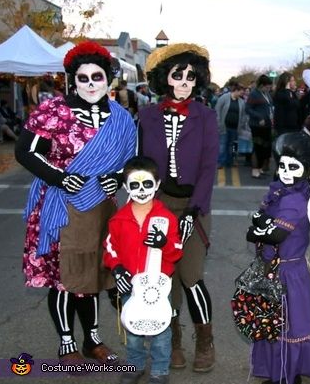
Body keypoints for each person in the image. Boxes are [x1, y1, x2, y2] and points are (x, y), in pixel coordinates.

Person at [14, 41, 136, 365]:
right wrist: (59, 177)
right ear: (72, 79)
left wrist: (120, 176)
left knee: (94, 274)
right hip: (60, 208)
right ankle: (67, 342)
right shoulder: (53, 112)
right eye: (83, 78)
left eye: (98, 77)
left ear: (109, 78)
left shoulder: (122, 118)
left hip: (102, 209)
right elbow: (24, 151)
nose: (91, 84)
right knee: (65, 277)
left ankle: (93, 340)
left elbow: (131, 161)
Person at [138, 42, 219, 373]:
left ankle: (205, 340)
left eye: (190, 76)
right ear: (165, 78)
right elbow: (139, 163)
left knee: (191, 276)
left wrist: (193, 211)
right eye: (177, 75)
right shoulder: (145, 116)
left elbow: (208, 168)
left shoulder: (207, 116)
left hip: (193, 206)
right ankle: (172, 341)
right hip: (157, 205)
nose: (184, 82)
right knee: (163, 277)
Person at [247, 132, 310, 384]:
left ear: (307, 170)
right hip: (273, 271)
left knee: (287, 327)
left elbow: (273, 235)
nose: (286, 171)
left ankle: (286, 377)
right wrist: (262, 227)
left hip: (287, 274)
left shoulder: (295, 199)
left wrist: (262, 226)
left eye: (293, 166)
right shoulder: (280, 192)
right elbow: (258, 230)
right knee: (275, 326)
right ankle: (281, 375)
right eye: (282, 165)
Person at [103, 156, 183, 384]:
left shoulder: (165, 219)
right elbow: (110, 246)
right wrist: (117, 268)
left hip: (158, 286)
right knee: (133, 329)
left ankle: (159, 369)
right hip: (131, 285)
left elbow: (177, 250)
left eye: (147, 184)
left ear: (157, 185)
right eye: (134, 185)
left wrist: (163, 243)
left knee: (160, 330)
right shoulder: (119, 219)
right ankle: (135, 365)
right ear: (126, 187)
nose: (141, 190)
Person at [246, 74, 274, 178]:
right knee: (258, 147)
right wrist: (259, 117)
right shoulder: (254, 94)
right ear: (261, 85)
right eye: (267, 87)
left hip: (267, 124)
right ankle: (255, 169)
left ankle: (261, 167)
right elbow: (248, 109)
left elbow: (269, 106)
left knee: (265, 147)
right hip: (257, 125)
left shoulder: (266, 94)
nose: (269, 89)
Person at [216, 81, 246, 168]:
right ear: (236, 90)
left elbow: (243, 114)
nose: (242, 93)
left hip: (235, 127)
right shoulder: (224, 98)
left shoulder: (241, 102)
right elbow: (217, 110)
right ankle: (220, 162)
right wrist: (218, 122)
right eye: (241, 91)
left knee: (231, 145)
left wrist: (242, 123)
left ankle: (229, 161)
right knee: (222, 144)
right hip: (224, 126)